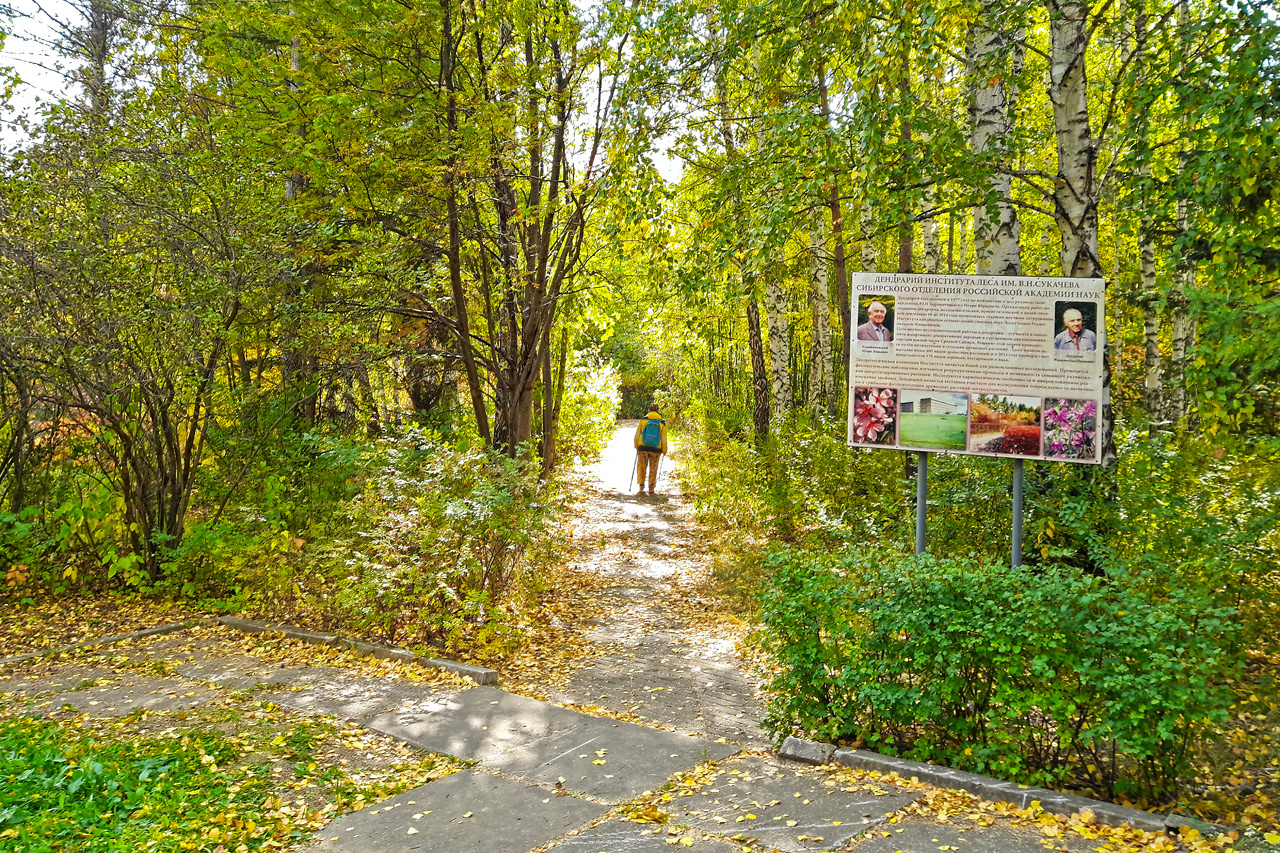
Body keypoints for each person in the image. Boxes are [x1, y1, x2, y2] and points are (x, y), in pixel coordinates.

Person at [633, 404, 667, 495]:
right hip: (656, 448)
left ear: (649, 410)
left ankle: (641, 485)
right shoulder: (662, 422)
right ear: (658, 410)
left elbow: (637, 434)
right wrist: (664, 450)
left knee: (641, 466)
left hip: (643, 447)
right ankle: (651, 487)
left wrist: (637, 445)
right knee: (653, 467)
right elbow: (664, 438)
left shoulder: (644, 420)